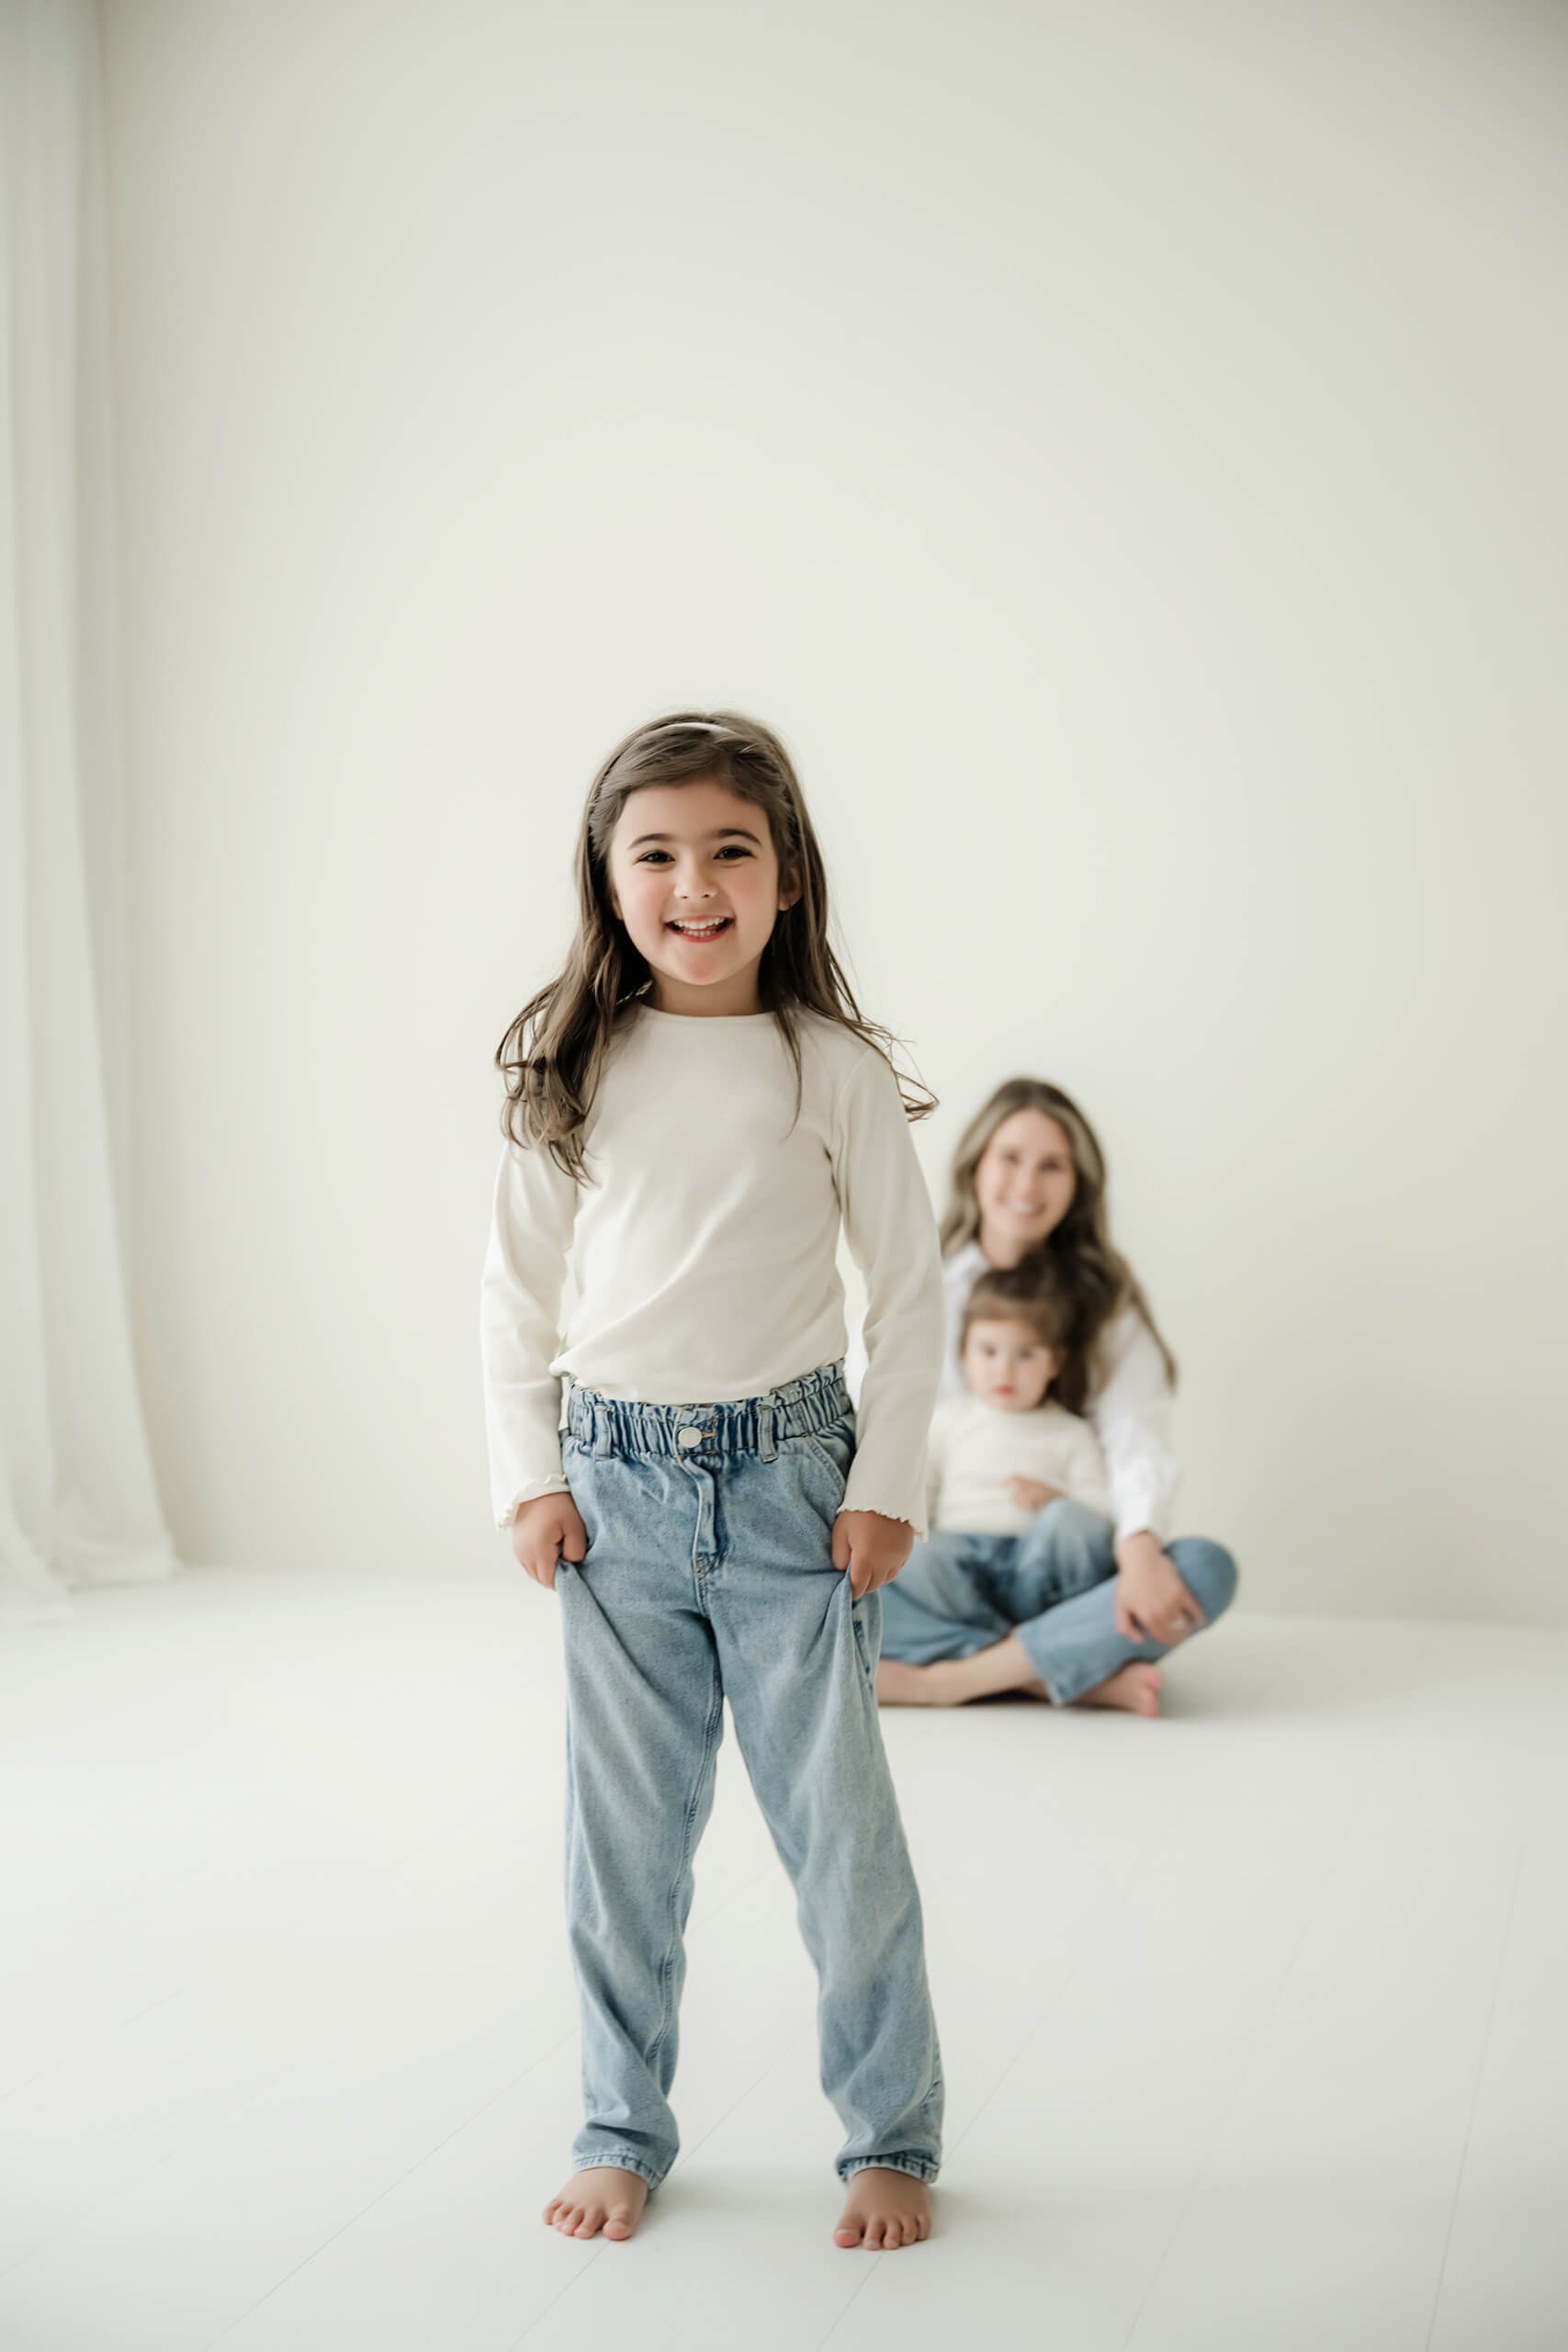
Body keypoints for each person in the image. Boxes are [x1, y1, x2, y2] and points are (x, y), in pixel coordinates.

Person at [479, 710, 946, 2254]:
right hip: (610, 1493)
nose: (694, 884)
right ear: (607, 882)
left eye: (729, 850)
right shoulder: (578, 1063)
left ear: (788, 873)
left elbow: (908, 1292)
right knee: (619, 1847)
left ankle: (889, 2133)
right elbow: (515, 1298)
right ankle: (621, 2123)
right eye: (655, 854)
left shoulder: (825, 1069)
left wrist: (882, 1480)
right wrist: (528, 1476)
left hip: (791, 1489)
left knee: (841, 1840)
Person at [866, 1077, 1238, 1715]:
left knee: (1203, 1569)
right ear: (975, 1167)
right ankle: (1059, 1670)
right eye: (1009, 1158)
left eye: (1051, 1166)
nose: (1027, 1185)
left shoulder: (1107, 1305)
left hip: (1059, 1572)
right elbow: (868, 1426)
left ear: (1077, 1185)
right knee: (820, 1581)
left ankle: (943, 1680)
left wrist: (1140, 1547)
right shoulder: (916, 1283)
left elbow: (1133, 1438)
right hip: (950, 1564)